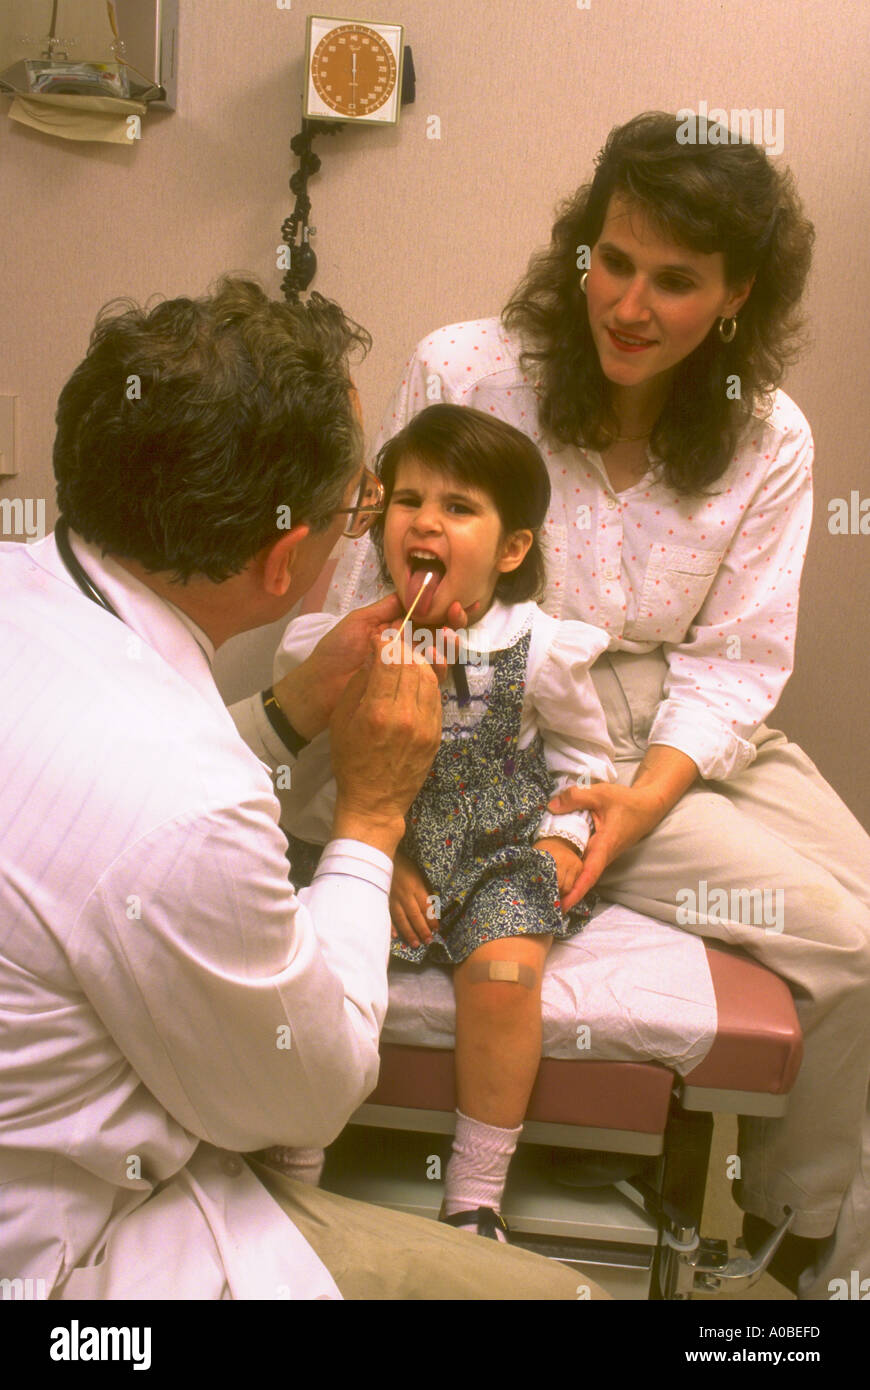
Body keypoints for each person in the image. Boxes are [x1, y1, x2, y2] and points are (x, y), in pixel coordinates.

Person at [319, 112, 870, 1299]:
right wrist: (385, 812)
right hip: (507, 711)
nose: (628, 304)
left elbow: (735, 663)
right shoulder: (466, 368)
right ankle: (796, 1245)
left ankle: (818, 1222)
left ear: (737, 298)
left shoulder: (769, 435)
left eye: (675, 282)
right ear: (581, 248)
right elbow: (372, 597)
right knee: (852, 946)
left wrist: (639, 799)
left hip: (684, 716)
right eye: (613, 262)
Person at [0, 276, 608, 1300]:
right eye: (372, 501)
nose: (401, 519)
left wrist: (287, 710)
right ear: (291, 557)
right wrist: (372, 825)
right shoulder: (188, 805)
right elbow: (311, 1090)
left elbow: (120, 787)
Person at [268, 402, 618, 1238]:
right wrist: (378, 865)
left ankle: (474, 1194)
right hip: (383, 851)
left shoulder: (541, 648)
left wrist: (559, 842)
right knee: (312, 969)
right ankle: (292, 1170)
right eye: (408, 500)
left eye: (458, 508)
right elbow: (320, 781)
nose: (426, 520)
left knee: (505, 978)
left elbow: (587, 764)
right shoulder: (344, 644)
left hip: (499, 852)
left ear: (511, 549)